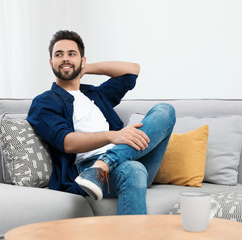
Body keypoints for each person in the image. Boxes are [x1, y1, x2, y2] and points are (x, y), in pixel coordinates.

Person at [27, 30, 176, 215]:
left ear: (82, 60)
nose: (65, 58)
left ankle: (104, 164)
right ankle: (98, 169)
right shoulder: (45, 102)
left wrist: (87, 69)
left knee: (165, 110)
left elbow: (132, 70)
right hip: (87, 168)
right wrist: (113, 136)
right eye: (59, 55)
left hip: (127, 158)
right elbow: (66, 142)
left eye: (71, 54)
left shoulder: (95, 94)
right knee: (133, 170)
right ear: (51, 62)